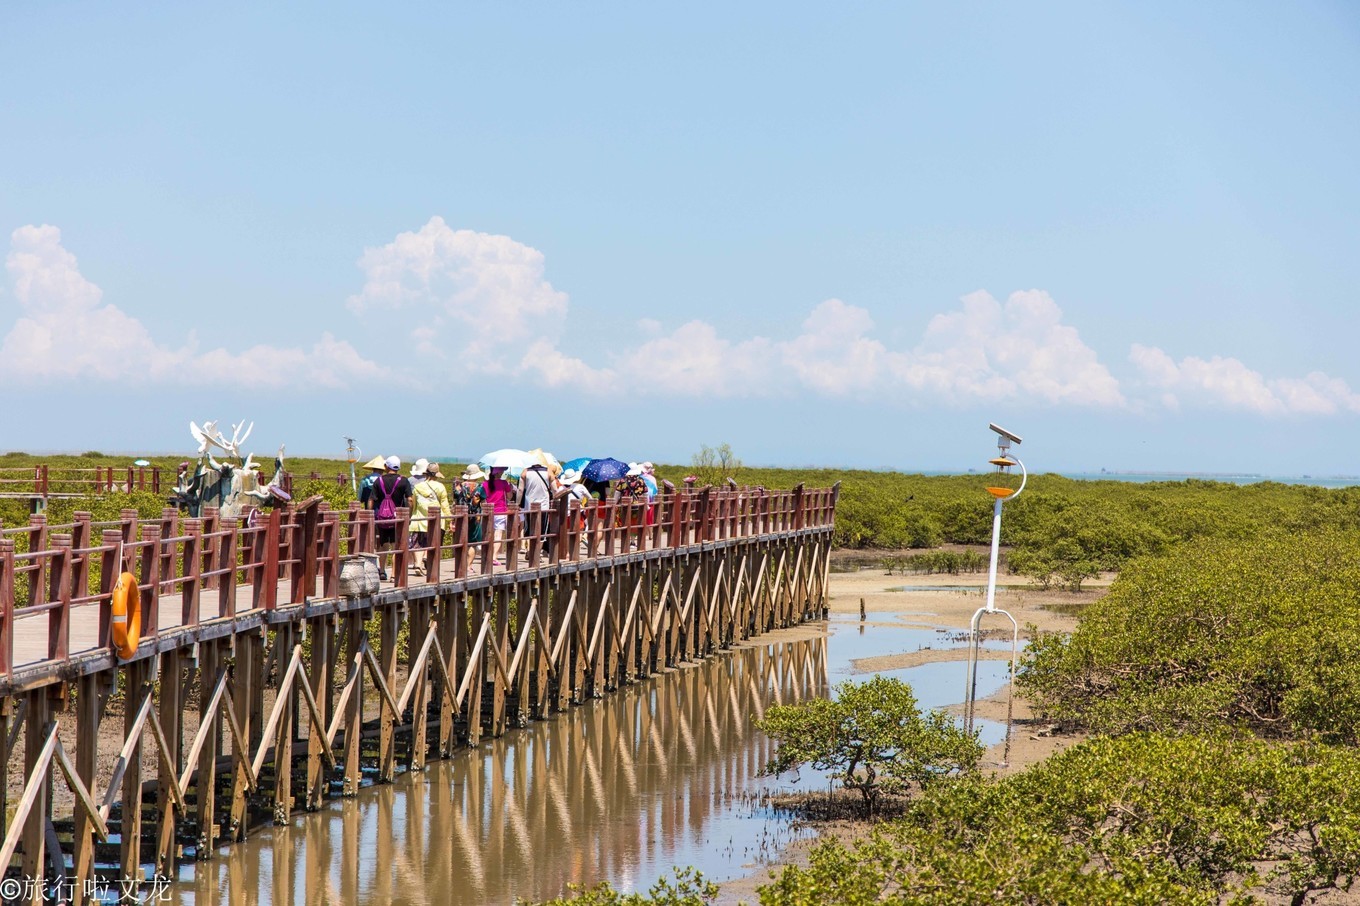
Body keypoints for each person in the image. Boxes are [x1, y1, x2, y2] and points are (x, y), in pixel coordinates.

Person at [369, 456, 411, 581]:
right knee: (396, 545)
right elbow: (410, 499)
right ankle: (394, 574)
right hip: (397, 517)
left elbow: (371, 499)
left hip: (382, 518)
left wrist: (370, 515)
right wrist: (409, 513)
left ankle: (382, 571)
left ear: (386, 467)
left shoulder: (378, 481)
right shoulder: (403, 481)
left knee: (383, 544)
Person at [408, 461, 451, 578]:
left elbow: (414, 504)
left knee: (418, 543)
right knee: (431, 543)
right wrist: (449, 518)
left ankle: (417, 564)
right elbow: (444, 505)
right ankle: (427, 557)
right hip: (435, 521)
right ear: (436, 474)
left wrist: (412, 516)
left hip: (419, 519)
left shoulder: (418, 487)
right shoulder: (440, 487)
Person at [454, 465, 487, 574]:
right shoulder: (479, 487)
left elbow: (455, 500)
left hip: (460, 516)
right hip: (474, 517)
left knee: (461, 540)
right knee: (472, 542)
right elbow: (483, 502)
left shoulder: (458, 487)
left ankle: (460, 565)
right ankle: (468, 566)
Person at [485, 465, 514, 567]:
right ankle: (493, 557)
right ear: (497, 473)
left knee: (489, 534)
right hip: (501, 511)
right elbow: (510, 497)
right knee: (498, 535)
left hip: (488, 512)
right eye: (501, 471)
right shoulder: (503, 483)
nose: (502, 473)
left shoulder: (485, 484)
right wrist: (509, 488)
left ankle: (487, 556)